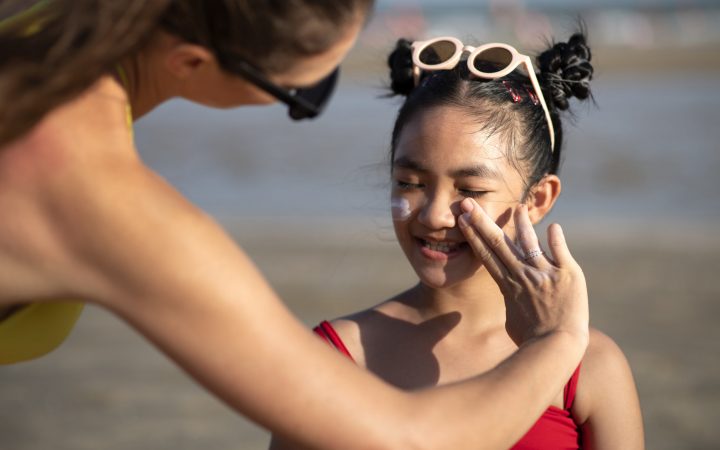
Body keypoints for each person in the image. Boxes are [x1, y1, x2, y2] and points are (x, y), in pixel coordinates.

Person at [0, 1, 591, 448]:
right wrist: (558, 341)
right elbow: (405, 438)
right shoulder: (95, 198)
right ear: (189, 61)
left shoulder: (34, 29)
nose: (305, 107)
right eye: (302, 94)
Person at [271, 31, 644, 449]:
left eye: (470, 190)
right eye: (409, 182)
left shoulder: (590, 365)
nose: (433, 214)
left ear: (538, 199)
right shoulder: (334, 357)